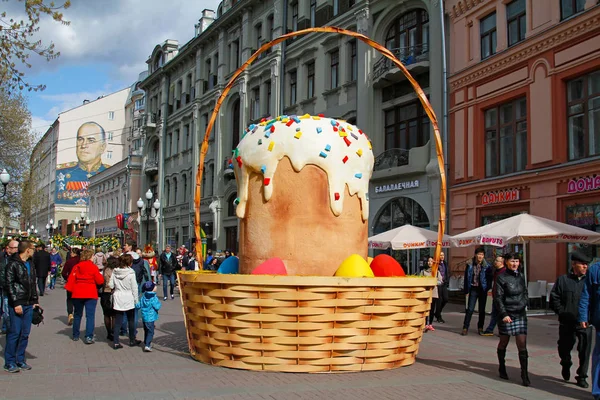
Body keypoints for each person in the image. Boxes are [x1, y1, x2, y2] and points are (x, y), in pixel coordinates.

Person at [550, 251, 591, 388]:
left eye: (587, 264)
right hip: (567, 321)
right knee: (564, 347)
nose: (585, 267)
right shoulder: (563, 280)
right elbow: (554, 298)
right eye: (582, 264)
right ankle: (566, 363)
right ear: (574, 264)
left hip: (585, 322)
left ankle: (582, 376)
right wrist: (562, 312)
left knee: (585, 350)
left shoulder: (589, 280)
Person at [3, 240, 39, 373]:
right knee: (14, 333)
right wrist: (16, 303)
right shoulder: (13, 264)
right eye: (33, 249)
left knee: (25, 333)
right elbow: (9, 285)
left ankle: (20, 359)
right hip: (18, 303)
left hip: (29, 303)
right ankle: (10, 361)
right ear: (27, 250)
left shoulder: (30, 264)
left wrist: (35, 299)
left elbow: (32, 283)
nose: (34, 251)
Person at [494, 252, 529, 386]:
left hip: (520, 314)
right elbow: (498, 297)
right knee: (504, 341)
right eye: (512, 261)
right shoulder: (501, 278)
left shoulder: (521, 276)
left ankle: (524, 374)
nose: (515, 264)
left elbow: (525, 293)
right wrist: (504, 314)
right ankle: (502, 367)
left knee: (522, 344)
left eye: (517, 261)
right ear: (506, 262)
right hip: (507, 314)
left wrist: (522, 304)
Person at [55, 122, 110, 205]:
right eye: (80, 139)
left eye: (91, 140)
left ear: (102, 147)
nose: (83, 145)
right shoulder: (63, 172)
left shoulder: (109, 172)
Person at [66, 249, 104, 344]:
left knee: (77, 315)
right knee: (90, 316)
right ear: (90, 257)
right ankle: (89, 336)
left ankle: (75, 335)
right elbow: (100, 281)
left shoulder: (77, 267)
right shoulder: (93, 267)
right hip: (90, 293)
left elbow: (71, 280)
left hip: (78, 293)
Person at [109, 254, 141, 349]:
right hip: (128, 297)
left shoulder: (115, 272)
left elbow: (111, 285)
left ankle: (115, 342)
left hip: (118, 296)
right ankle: (132, 340)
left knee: (118, 321)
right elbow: (134, 288)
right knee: (131, 320)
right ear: (129, 263)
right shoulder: (131, 273)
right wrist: (136, 300)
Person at [461, 247, 492, 336]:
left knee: (482, 310)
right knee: (470, 309)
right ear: (475, 255)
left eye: (482, 254)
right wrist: (466, 289)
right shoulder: (470, 264)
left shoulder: (487, 266)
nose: (480, 256)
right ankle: (465, 327)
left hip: (482, 289)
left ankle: (480, 327)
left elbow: (489, 279)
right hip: (473, 289)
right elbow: (467, 277)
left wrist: (487, 288)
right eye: (479, 254)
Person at [482, 255, 506, 336]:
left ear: (502, 263)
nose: (495, 262)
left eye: (497, 261)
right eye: (495, 260)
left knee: (500, 314)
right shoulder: (496, 271)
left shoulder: (504, 272)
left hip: (501, 297)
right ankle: (492, 330)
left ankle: (497, 330)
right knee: (495, 314)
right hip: (495, 295)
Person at [136, 281, 162, 352]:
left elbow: (139, 305)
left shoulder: (143, 297)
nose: (156, 287)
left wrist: (134, 306)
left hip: (144, 317)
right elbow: (157, 307)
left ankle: (145, 341)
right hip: (151, 318)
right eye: (154, 286)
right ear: (152, 289)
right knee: (151, 332)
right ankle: (147, 345)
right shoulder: (154, 298)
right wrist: (159, 304)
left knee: (146, 330)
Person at [0, 240, 19, 334]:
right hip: (5, 289)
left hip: (17, 291)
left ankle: (12, 331)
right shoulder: (2, 258)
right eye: (10, 247)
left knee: (11, 312)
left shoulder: (21, 260)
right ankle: (8, 328)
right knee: (6, 311)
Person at [420, 257, 443, 332]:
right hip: (426, 292)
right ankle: (425, 324)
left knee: (432, 309)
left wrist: (434, 282)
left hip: (434, 292)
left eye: (431, 261)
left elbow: (440, 281)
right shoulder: (423, 272)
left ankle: (430, 324)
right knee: (426, 309)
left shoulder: (436, 272)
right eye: (428, 261)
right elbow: (420, 280)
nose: (429, 263)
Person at [101, 251, 118, 341]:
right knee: (114, 315)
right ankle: (114, 332)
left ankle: (109, 332)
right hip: (115, 293)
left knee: (106, 314)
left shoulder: (105, 270)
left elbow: (101, 281)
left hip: (106, 292)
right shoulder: (117, 271)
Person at [62, 248, 81, 326]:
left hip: (71, 283)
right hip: (80, 283)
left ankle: (70, 313)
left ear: (74, 253)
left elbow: (63, 273)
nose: (70, 254)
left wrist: (68, 278)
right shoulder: (81, 261)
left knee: (69, 299)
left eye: (71, 252)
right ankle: (77, 314)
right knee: (78, 300)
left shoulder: (69, 261)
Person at [435, 251, 449, 323]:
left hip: (444, 283)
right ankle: (439, 316)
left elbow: (446, 273)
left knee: (446, 299)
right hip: (438, 284)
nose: (442, 257)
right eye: (440, 255)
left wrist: (447, 280)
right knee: (439, 301)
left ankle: (437, 313)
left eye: (443, 255)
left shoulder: (445, 263)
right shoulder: (436, 264)